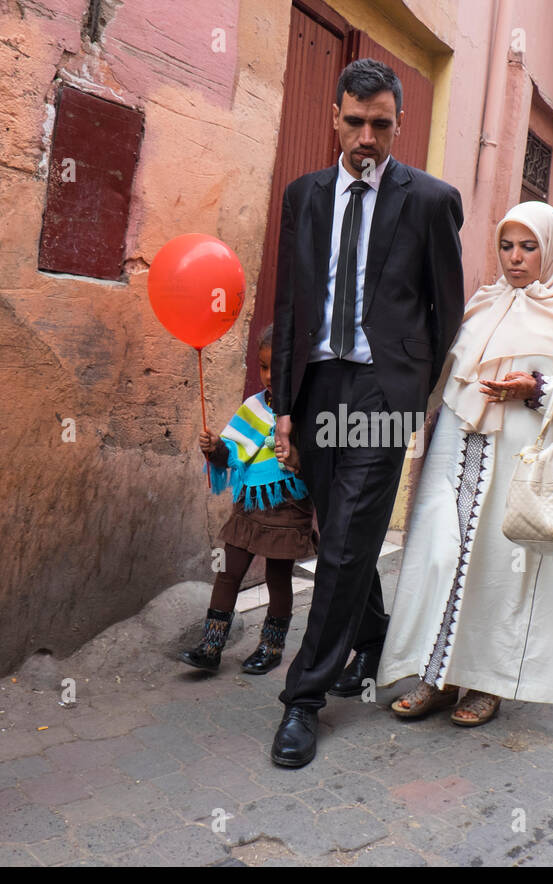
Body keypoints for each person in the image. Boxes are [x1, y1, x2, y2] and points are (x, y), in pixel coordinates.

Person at [267, 58, 465, 767]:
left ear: (399, 123)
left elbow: (448, 312)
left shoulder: (430, 201)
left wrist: (414, 395)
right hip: (317, 386)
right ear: (335, 117)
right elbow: (290, 302)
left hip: (381, 391)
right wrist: (282, 401)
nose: (367, 137)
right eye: (355, 122)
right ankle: (374, 638)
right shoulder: (305, 195)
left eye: (381, 124)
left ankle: (304, 701)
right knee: (335, 531)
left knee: (350, 539)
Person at [377, 202, 553, 723]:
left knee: (501, 568)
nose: (515, 258)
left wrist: (541, 388)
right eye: (507, 246)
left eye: (528, 247)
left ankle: (488, 682)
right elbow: (447, 373)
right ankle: (433, 673)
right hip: (456, 447)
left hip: (522, 455)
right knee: (439, 553)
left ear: (550, 249)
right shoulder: (484, 301)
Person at [182, 327, 315, 674]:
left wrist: (300, 460)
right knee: (228, 573)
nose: (270, 375)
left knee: (278, 578)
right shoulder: (253, 407)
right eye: (264, 366)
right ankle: (211, 646)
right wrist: (215, 448)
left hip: (288, 507)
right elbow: (232, 456)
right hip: (251, 504)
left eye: (278, 367)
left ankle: (271, 648)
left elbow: (320, 464)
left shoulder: (308, 412)